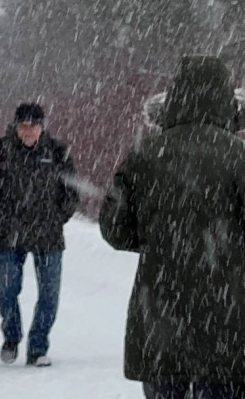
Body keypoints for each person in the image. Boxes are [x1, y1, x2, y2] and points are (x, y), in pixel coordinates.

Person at [99, 55, 245, 399]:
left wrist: (161, 239)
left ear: (174, 96)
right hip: (229, 319)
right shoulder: (239, 156)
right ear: (227, 101)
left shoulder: (144, 156)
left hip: (161, 313)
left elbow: (114, 229)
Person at [0, 103, 78, 367]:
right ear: (16, 126)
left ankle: (38, 346)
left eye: (33, 126)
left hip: (48, 234)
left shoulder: (58, 151)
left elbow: (71, 192)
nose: (28, 131)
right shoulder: (1, 150)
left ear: (42, 126)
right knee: (7, 289)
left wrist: (58, 216)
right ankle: (11, 338)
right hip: (11, 231)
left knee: (49, 294)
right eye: (23, 126)